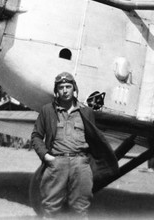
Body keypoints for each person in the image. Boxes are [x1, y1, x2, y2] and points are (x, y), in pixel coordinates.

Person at [31, 72, 118, 218]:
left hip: (81, 164)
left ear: (74, 88)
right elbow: (36, 136)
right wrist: (46, 156)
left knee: (81, 207)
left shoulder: (86, 111)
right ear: (56, 90)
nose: (65, 90)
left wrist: (89, 162)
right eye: (61, 87)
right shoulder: (47, 111)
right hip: (57, 163)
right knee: (51, 207)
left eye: (68, 86)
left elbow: (93, 138)